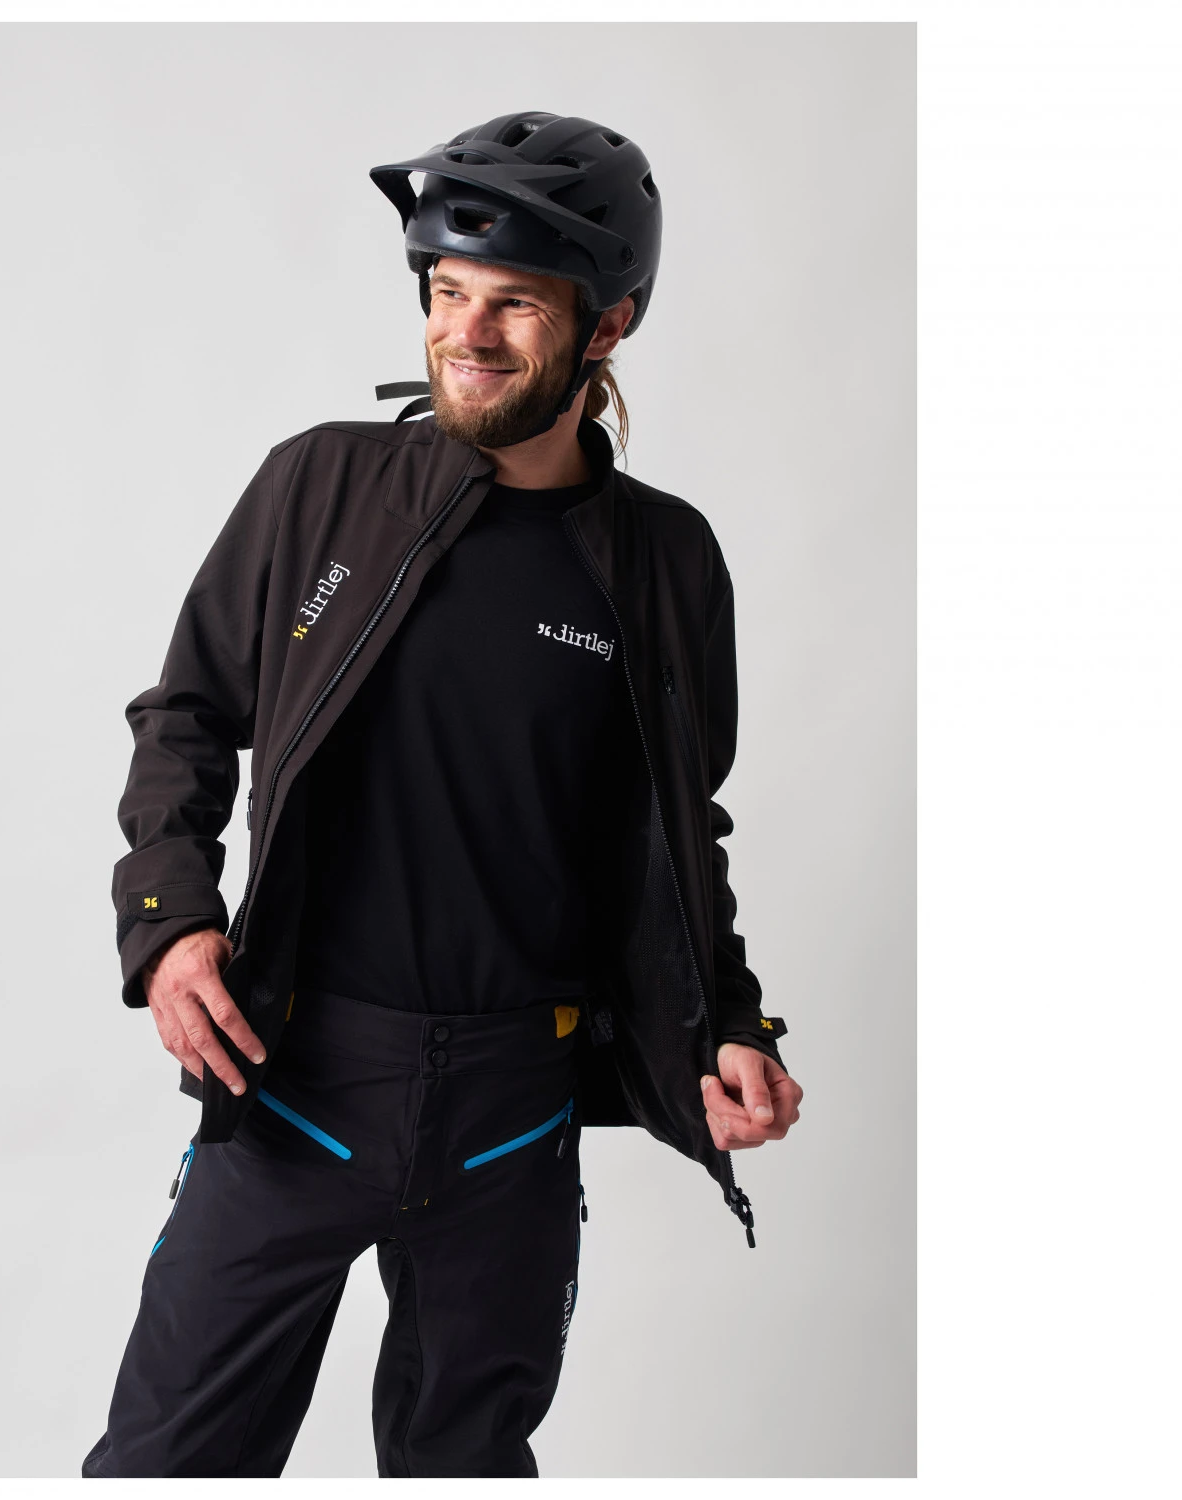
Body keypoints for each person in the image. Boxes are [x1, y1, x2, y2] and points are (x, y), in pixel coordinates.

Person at [82, 111, 803, 1480]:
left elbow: (676, 830)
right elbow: (187, 715)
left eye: (514, 303)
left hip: (510, 1112)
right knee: (167, 1463)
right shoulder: (321, 486)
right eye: (447, 291)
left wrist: (729, 1025)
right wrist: (169, 925)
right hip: (295, 1082)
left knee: (465, 1465)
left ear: (607, 326)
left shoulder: (666, 562)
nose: (465, 333)